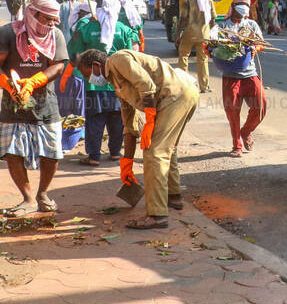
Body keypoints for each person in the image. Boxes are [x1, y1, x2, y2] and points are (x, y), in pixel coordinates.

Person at [76, 48, 198, 229]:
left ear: (95, 65)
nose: (89, 80)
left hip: (176, 95)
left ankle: (157, 216)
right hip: (180, 95)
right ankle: (173, 197)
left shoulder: (118, 60)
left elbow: (146, 84)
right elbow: (129, 126)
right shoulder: (116, 84)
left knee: (154, 153)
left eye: (87, 75)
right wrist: (127, 164)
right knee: (167, 148)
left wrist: (150, 118)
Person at [0, 0, 68, 217]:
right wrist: (8, 84)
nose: (51, 24)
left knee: (52, 152)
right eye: (47, 18)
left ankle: (43, 193)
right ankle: (28, 198)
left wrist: (33, 82)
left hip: (45, 102)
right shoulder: (7, 33)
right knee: (11, 151)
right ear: (33, 13)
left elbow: (58, 66)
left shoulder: (56, 35)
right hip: (12, 103)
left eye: (54, 20)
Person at [63, 0, 139, 166]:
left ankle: (94, 156)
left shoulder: (87, 28)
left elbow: (73, 52)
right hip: (118, 84)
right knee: (118, 119)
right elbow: (130, 56)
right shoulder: (123, 29)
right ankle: (115, 153)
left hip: (93, 84)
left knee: (94, 120)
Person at [213, 0, 266, 158]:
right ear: (233, 6)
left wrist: (255, 48)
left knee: (261, 106)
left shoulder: (251, 25)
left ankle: (246, 131)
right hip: (230, 75)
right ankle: (237, 145)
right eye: (240, 4)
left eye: (246, 5)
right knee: (232, 111)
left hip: (250, 74)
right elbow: (210, 44)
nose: (243, 7)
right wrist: (211, 50)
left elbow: (261, 43)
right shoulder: (222, 26)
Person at [177, 0, 216, 93]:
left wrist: (178, 34)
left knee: (183, 56)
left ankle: (184, 85)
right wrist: (212, 33)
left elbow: (183, 19)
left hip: (189, 33)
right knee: (203, 59)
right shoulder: (209, 2)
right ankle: (204, 86)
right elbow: (213, 20)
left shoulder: (187, 1)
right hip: (204, 35)